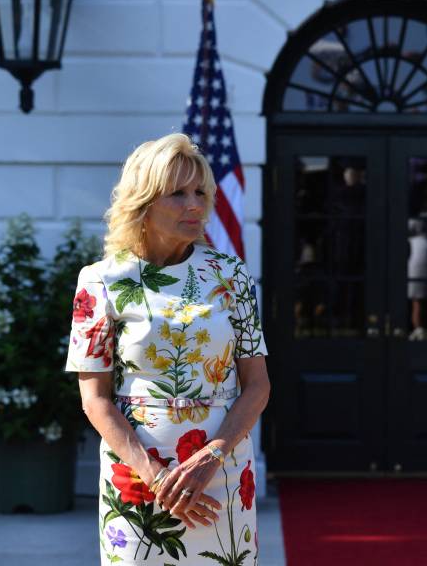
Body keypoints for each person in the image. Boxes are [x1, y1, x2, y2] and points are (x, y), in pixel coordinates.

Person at [66, 133, 269, 564]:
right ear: (144, 202)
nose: (195, 204)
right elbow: (95, 399)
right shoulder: (100, 281)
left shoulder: (230, 274)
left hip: (223, 474)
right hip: (138, 480)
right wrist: (157, 477)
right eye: (177, 193)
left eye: (201, 192)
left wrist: (210, 459)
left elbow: (258, 386)